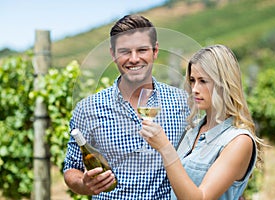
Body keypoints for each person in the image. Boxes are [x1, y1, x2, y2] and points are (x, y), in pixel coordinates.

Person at [63, 15, 190, 199]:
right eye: (124, 51)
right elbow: (71, 168)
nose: (134, 59)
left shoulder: (182, 103)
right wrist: (84, 183)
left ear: (155, 51)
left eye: (142, 50)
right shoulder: (88, 109)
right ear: (113, 55)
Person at [140, 44, 262, 200]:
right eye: (192, 80)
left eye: (203, 81)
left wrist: (165, 148)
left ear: (223, 84)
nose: (195, 89)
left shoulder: (239, 141)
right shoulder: (192, 131)